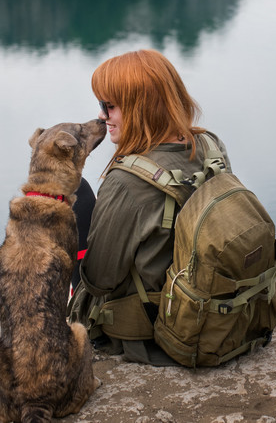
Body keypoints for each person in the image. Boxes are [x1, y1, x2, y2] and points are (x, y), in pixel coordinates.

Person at [67, 49, 229, 365]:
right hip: (213, 307)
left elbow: (101, 280)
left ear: (142, 107)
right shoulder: (210, 145)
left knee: (76, 191)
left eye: (108, 106)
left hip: (157, 327)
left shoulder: (127, 181)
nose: (102, 116)